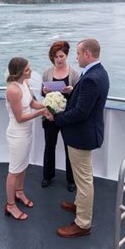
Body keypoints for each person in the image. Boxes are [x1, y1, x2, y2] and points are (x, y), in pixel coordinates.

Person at [44, 38, 109, 238]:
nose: (77, 57)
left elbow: (81, 112)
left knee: (84, 179)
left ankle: (82, 223)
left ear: (88, 54)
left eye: (79, 54)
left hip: (82, 135)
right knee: (83, 177)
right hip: (85, 133)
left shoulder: (90, 78)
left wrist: (56, 117)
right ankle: (79, 205)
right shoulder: (99, 72)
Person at [4, 57, 46, 221]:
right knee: (14, 170)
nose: (31, 71)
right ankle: (10, 204)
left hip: (27, 132)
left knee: (23, 165)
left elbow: (33, 103)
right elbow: (20, 117)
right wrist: (41, 113)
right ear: (20, 72)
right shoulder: (13, 90)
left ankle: (19, 192)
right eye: (28, 69)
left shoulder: (25, 84)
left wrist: (48, 104)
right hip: (17, 134)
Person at [41, 41, 79, 191]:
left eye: (61, 56)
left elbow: (79, 96)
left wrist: (72, 91)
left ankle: (71, 179)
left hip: (67, 117)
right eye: (55, 56)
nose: (58, 59)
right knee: (49, 146)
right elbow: (41, 93)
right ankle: (47, 176)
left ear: (67, 55)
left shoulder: (74, 74)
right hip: (50, 116)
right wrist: (44, 91)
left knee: (69, 148)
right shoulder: (47, 72)